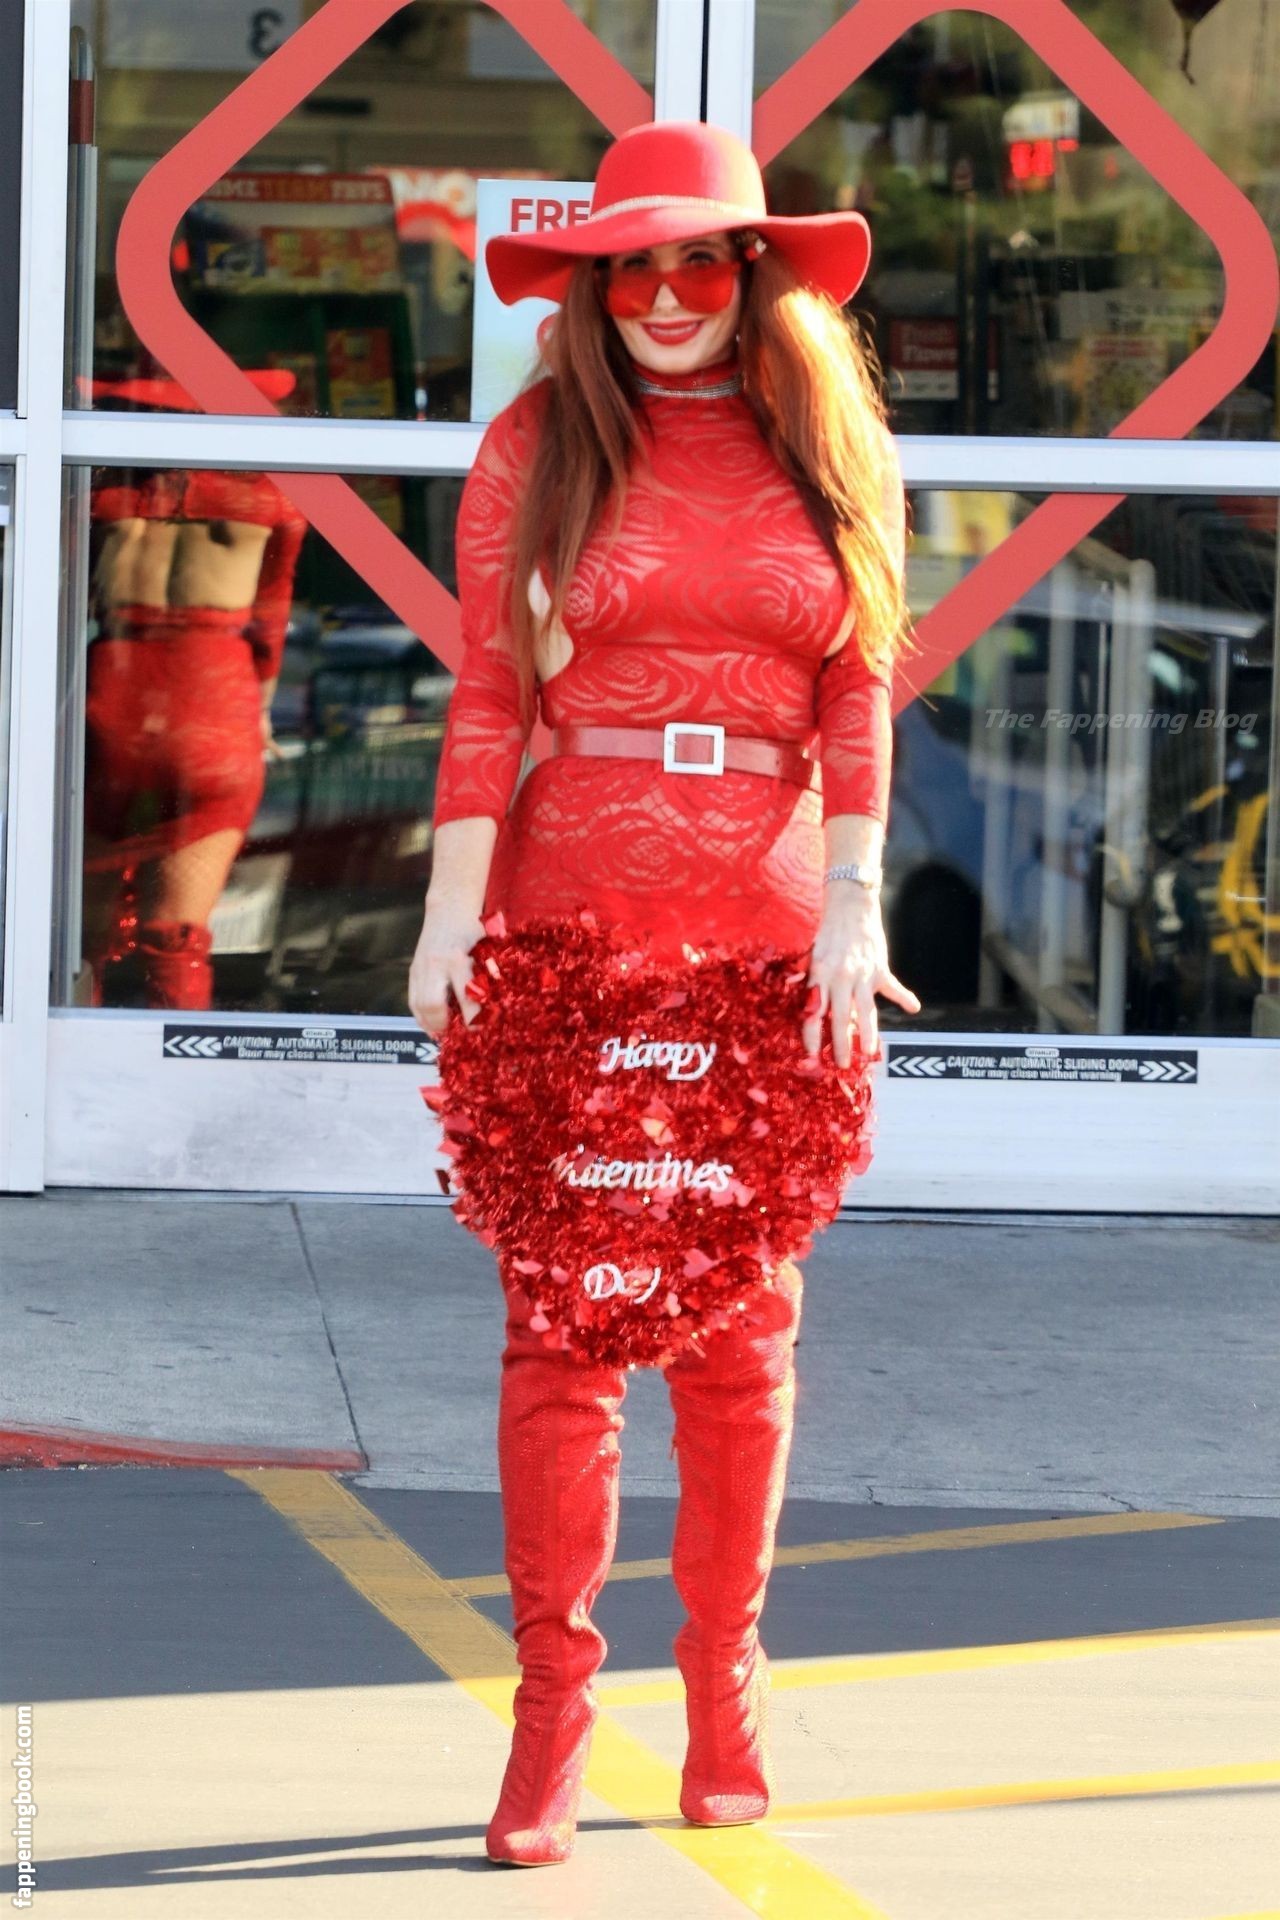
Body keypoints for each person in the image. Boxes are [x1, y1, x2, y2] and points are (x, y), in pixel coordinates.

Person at [408, 120, 920, 1867]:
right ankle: (553, 1709)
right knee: (561, 1324)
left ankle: (723, 1693)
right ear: (596, 290)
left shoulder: (831, 446)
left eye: (703, 259)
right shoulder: (537, 444)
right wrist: (450, 918)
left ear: (757, 274)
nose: (671, 295)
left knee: (740, 1326)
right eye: (634, 268)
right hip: (572, 905)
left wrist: (853, 901)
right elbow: (489, 690)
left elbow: (859, 693)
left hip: (766, 924)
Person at [84, 374, 307, 1008]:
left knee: (77, 941)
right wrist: (260, 712)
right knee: (175, 940)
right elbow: (271, 617)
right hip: (215, 706)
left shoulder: (100, 488)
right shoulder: (268, 496)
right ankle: (176, 1061)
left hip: (113, 699)